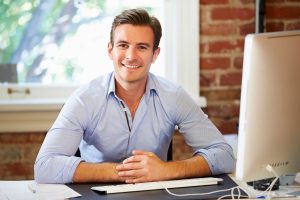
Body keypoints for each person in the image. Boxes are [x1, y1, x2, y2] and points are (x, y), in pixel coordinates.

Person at [34, 8, 235, 184]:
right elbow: (44, 166)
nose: (131, 56)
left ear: (155, 54)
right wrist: (121, 172)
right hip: (95, 194)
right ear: (110, 50)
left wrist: (166, 170)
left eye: (142, 47)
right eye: (123, 45)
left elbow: (224, 155)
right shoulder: (84, 99)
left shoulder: (174, 96)